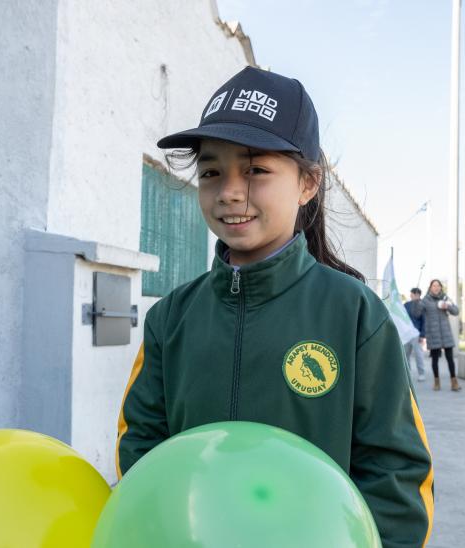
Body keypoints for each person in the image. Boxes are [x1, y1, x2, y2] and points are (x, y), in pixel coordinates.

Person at [115, 67, 433, 546]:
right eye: (211, 172)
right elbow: (140, 447)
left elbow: (397, 472)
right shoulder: (171, 319)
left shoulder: (355, 315)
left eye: (256, 170)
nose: (229, 192)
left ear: (307, 184)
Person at [421, 279, 461, 391]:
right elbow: (417, 312)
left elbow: (456, 311)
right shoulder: (426, 300)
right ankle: (436, 382)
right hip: (433, 334)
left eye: (438, 286)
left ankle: (454, 382)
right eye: (434, 286)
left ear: (441, 287)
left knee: (450, 358)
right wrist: (417, 302)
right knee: (435, 359)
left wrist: (447, 306)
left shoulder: (445, 298)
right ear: (430, 287)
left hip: (445, 333)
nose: (436, 287)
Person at [404, 288, 427, 381]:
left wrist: (422, 335)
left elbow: (424, 321)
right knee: (405, 355)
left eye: (412, 294)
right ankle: (407, 374)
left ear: (417, 294)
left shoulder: (422, 305)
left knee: (418, 354)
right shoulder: (406, 305)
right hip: (406, 334)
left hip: (416, 334)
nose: (410, 296)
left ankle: (421, 374)